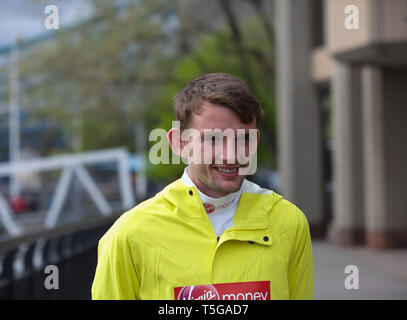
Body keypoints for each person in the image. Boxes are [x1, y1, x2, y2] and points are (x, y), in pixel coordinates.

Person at [91, 73, 313, 300]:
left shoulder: (289, 222)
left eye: (243, 139)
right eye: (213, 139)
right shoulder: (128, 235)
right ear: (179, 143)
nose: (231, 155)